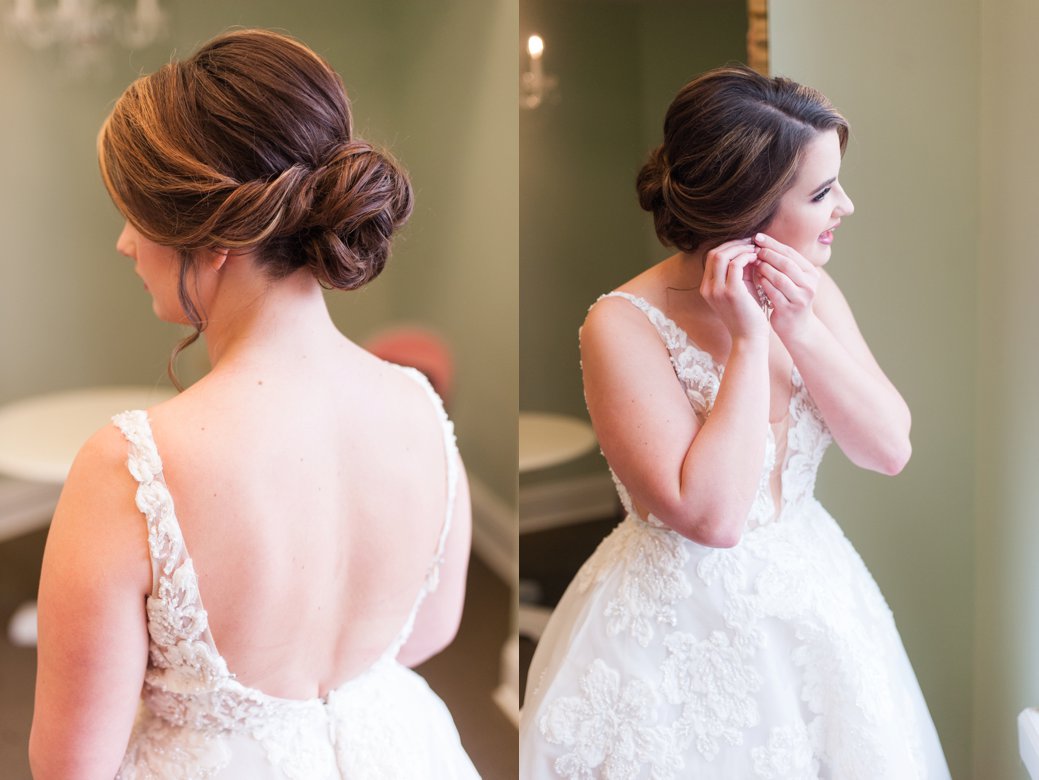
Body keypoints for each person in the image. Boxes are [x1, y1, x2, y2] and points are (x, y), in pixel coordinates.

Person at [29, 29, 478, 779]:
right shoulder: (420, 408)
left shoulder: (126, 468)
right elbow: (427, 632)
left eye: (139, 215)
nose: (123, 244)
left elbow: (71, 765)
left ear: (211, 240)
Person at [519, 66, 950, 779]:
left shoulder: (810, 290)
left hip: (816, 599)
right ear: (745, 205)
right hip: (676, 639)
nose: (846, 205)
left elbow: (887, 448)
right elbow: (711, 519)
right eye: (820, 192)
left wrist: (800, 329)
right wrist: (751, 342)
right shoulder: (621, 325)